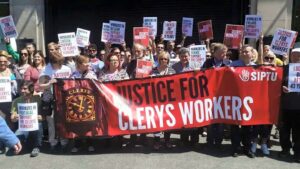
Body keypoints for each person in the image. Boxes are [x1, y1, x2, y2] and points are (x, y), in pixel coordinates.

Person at [39, 51, 72, 151]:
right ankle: (52, 142)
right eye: (56, 62)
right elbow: (40, 86)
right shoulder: (45, 70)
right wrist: (50, 83)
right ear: (52, 61)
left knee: (63, 120)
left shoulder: (67, 69)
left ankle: (64, 141)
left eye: (60, 62)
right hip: (49, 99)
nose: (58, 64)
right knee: (51, 122)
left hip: (63, 98)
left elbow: (71, 83)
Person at [202, 43, 228, 149]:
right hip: (209, 95)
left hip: (221, 96)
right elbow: (201, 74)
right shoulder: (208, 62)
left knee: (220, 120)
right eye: (222, 52)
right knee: (210, 120)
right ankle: (210, 141)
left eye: (225, 53)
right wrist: (208, 71)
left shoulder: (227, 63)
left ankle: (218, 142)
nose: (224, 54)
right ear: (215, 53)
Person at [172, 48, 199, 146]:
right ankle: (184, 140)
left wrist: (198, 72)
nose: (184, 58)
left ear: (189, 56)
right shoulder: (174, 67)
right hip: (180, 97)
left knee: (194, 119)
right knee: (183, 118)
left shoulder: (195, 66)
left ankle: (194, 141)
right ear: (179, 57)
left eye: (186, 56)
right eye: (182, 56)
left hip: (192, 96)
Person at [70, 55, 97, 153]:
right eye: (86, 62)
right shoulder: (74, 75)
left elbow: (96, 86)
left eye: (88, 62)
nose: (88, 64)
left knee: (89, 122)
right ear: (80, 64)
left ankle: (90, 143)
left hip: (89, 101)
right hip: (77, 102)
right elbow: (69, 85)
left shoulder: (92, 74)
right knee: (77, 122)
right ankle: (77, 144)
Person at [150, 51, 176, 150]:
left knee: (168, 120)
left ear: (168, 60)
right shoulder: (153, 71)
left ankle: (167, 140)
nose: (163, 61)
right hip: (155, 100)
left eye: (165, 59)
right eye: (161, 59)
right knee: (157, 120)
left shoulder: (172, 71)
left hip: (168, 100)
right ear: (158, 60)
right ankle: (157, 141)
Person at [10, 81, 43, 157]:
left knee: (39, 124)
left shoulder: (38, 99)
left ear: (31, 89)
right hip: (23, 127)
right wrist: (15, 117)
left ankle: (36, 146)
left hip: (35, 125)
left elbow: (43, 116)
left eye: (25, 89)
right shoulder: (16, 101)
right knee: (15, 143)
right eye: (21, 89)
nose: (22, 91)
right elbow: (12, 118)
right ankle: (27, 142)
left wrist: (40, 117)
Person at [279, 48, 300, 163]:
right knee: (284, 130)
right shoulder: (284, 69)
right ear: (290, 56)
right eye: (294, 55)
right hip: (286, 106)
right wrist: (282, 87)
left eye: (298, 56)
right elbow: (276, 83)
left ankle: (298, 153)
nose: (296, 58)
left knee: (298, 132)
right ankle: (285, 149)